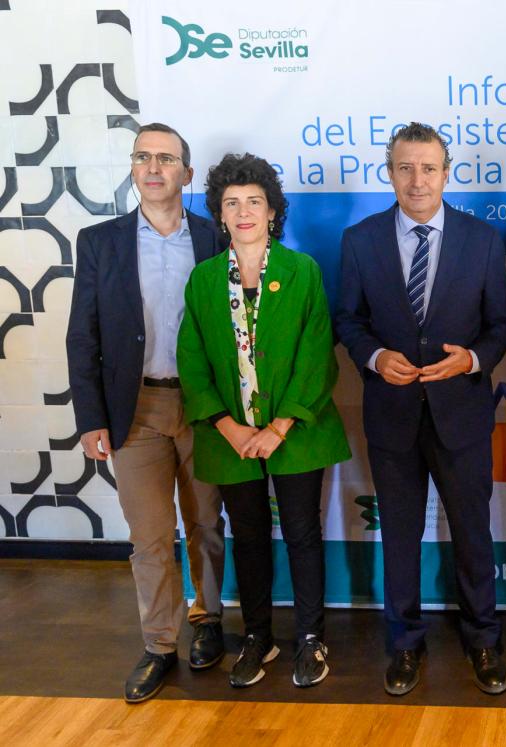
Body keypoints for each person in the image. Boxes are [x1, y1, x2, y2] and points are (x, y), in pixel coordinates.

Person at [335, 123, 506, 696]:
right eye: (405, 168)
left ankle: (483, 640)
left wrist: (471, 360)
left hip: (460, 414)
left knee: (471, 535)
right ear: (390, 172)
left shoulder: (481, 240)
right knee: (401, 538)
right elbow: (348, 321)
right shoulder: (360, 241)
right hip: (391, 416)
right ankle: (405, 643)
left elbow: (501, 327)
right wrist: (374, 355)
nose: (417, 180)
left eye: (429, 168)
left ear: (446, 170)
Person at [177, 153, 351, 689]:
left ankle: (310, 639)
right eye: (232, 203)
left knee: (301, 534)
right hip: (230, 437)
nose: (244, 211)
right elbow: (192, 359)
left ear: (273, 211)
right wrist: (230, 427)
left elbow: (317, 355)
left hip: (295, 433)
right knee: (248, 537)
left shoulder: (302, 272)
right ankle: (258, 636)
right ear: (220, 215)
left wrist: (278, 428)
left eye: (254, 201)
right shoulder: (204, 279)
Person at [66, 123, 226, 703]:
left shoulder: (216, 237)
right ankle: (159, 643)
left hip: (206, 405)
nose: (154, 167)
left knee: (206, 521)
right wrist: (91, 418)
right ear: (133, 168)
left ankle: (207, 622)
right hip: (134, 408)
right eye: (143, 157)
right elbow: (82, 336)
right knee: (151, 536)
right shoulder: (99, 242)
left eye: (166, 158)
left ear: (186, 171)